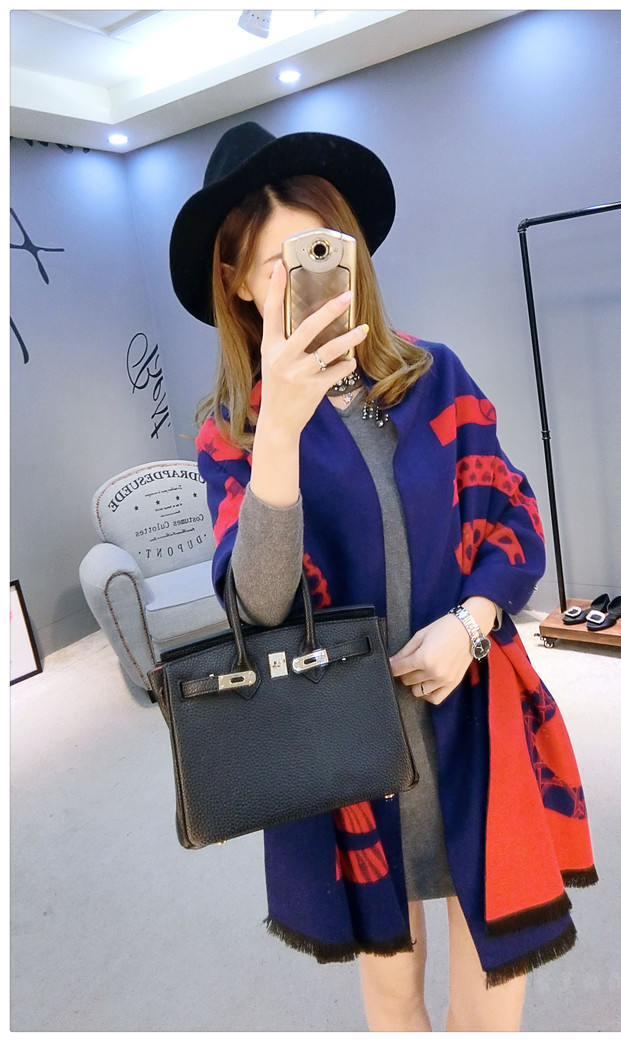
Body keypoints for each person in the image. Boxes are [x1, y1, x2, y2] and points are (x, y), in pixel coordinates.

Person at [169, 121, 598, 1032]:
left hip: (471, 716)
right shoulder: (233, 432)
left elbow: (515, 517)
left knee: (494, 990)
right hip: (345, 745)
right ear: (237, 285)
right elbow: (258, 602)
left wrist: (471, 622)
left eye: (324, 249)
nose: (309, 277)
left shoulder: (435, 378)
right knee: (393, 991)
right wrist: (281, 431)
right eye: (278, 266)